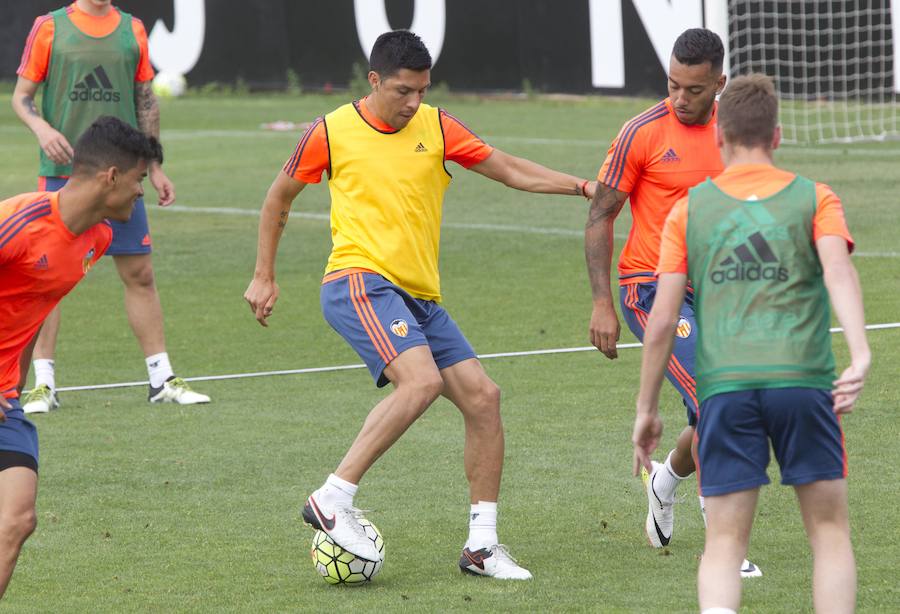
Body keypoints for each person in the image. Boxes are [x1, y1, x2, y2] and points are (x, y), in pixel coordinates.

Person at [244, 30, 596, 579]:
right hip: (358, 282)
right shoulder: (330, 131)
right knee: (422, 381)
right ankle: (333, 496)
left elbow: (506, 168)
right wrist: (264, 275)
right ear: (375, 81)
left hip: (420, 297)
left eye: (422, 91)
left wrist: (580, 187)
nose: (413, 103)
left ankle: (481, 547)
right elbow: (278, 198)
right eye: (403, 91)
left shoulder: (436, 125)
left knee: (484, 399)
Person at [631, 73, 867, 614]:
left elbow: (663, 318)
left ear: (719, 138)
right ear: (777, 137)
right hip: (804, 385)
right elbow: (839, 272)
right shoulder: (816, 197)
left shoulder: (689, 209)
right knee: (829, 533)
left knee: (724, 544)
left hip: (726, 391)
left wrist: (646, 409)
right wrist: (860, 351)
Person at [584, 27, 760, 575]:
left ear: (720, 85)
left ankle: (666, 479)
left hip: (718, 289)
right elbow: (600, 215)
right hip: (650, 290)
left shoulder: (735, 134)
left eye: (693, 89)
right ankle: (726, 546)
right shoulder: (641, 132)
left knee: (717, 413)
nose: (680, 98)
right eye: (672, 85)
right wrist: (602, 304)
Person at [11, 0, 209, 410]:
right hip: (65, 171)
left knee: (140, 273)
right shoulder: (49, 28)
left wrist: (152, 166)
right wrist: (42, 128)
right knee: (42, 276)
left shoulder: (132, 29)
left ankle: (161, 378)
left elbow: (145, 100)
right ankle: (42, 383)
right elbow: (22, 97)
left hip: (122, 179)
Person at [0, 116, 163, 598]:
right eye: (138, 180)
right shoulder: (19, 222)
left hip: (4, 397)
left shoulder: (98, 240)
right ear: (110, 176)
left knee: (18, 519)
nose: (141, 194)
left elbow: (31, 309)